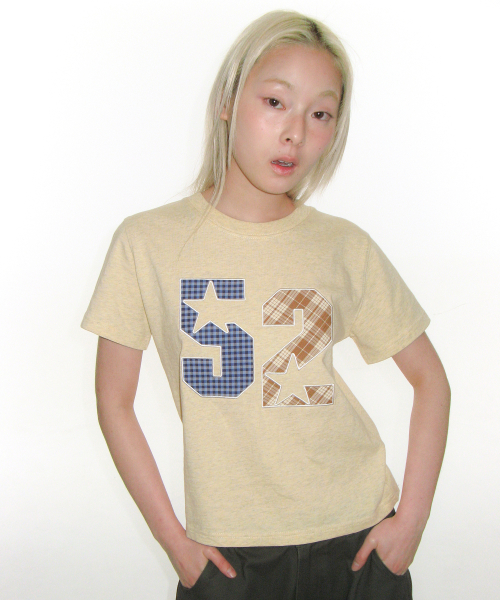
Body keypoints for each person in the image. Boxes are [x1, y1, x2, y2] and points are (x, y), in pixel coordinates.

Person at [81, 9, 450, 600]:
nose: (295, 133)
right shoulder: (147, 242)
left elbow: (431, 380)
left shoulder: (342, 245)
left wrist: (411, 523)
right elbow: (113, 401)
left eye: (320, 114)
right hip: (228, 558)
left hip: (358, 543)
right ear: (228, 100)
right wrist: (176, 544)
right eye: (276, 102)